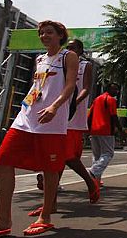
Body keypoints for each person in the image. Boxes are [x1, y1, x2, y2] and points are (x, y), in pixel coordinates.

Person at [0, 20, 78, 238]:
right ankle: (3, 220)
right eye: (42, 33)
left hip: (52, 121)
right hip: (27, 116)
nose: (44, 36)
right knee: (4, 159)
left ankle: (45, 216)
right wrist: (26, 107)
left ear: (60, 35)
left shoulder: (68, 57)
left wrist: (54, 106)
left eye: (49, 32)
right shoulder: (39, 59)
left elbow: (70, 85)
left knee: (49, 168)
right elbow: (37, 88)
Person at [29, 39, 99, 217]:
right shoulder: (55, 62)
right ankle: (50, 204)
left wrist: (72, 102)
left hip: (73, 117)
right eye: (68, 47)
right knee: (56, 157)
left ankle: (90, 182)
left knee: (67, 157)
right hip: (53, 113)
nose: (69, 50)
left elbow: (85, 89)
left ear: (81, 50)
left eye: (73, 47)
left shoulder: (85, 66)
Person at [88, 82, 120, 185]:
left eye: (117, 89)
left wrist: (88, 129)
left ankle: (95, 180)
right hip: (106, 130)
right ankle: (93, 171)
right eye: (114, 89)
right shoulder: (111, 100)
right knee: (108, 153)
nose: (116, 91)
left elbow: (90, 115)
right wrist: (120, 130)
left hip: (94, 130)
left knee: (96, 155)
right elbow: (113, 116)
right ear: (108, 89)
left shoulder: (97, 99)